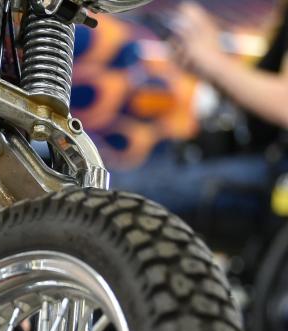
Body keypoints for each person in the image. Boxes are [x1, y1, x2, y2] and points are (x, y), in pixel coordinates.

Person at [111, 1, 288, 234]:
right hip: (256, 161)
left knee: (108, 196)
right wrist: (207, 64)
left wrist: (213, 60)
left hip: (269, 180)